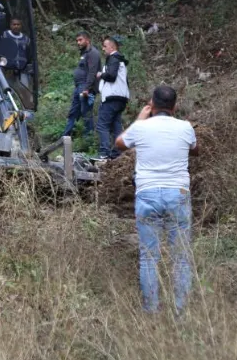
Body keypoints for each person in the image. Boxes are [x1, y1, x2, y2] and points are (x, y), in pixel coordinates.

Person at [115, 86, 199, 314]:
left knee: (149, 258)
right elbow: (195, 149)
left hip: (148, 193)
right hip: (178, 195)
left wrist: (141, 118)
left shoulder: (142, 128)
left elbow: (120, 143)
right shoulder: (185, 128)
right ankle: (181, 312)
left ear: (152, 104)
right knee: (181, 258)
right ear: (175, 106)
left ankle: (151, 312)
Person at [63, 31, 101, 139]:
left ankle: (88, 140)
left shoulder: (93, 53)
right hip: (79, 87)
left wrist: (87, 88)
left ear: (87, 40)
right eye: (77, 40)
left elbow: (92, 72)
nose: (78, 43)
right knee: (73, 112)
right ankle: (65, 137)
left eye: (80, 40)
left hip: (85, 87)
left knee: (86, 114)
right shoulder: (84, 53)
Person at [96, 36, 129, 159]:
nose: (103, 49)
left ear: (112, 47)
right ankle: (117, 153)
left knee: (102, 125)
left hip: (112, 98)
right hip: (120, 98)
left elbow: (111, 76)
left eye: (105, 46)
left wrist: (101, 74)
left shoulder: (113, 58)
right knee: (116, 126)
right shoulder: (120, 60)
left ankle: (104, 153)